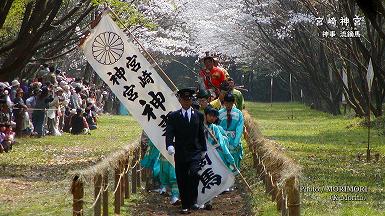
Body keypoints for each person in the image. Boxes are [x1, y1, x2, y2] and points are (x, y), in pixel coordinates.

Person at [165, 88, 207, 214]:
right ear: (180, 100)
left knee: (194, 174)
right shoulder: (173, 116)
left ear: (191, 100)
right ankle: (185, 204)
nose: (186, 102)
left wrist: (204, 149)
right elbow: (169, 132)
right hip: (181, 151)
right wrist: (169, 145)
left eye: (188, 100)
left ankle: (193, 200)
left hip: (195, 151)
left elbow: (201, 133)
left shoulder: (198, 115)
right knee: (182, 178)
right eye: (184, 100)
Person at [203, 106, 236, 210]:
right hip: (201, 156)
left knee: (210, 178)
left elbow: (222, 144)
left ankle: (209, 201)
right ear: (205, 115)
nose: (212, 118)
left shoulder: (215, 129)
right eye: (210, 116)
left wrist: (230, 159)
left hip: (212, 157)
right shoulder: (199, 127)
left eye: (214, 116)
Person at [218, 93, 244, 170]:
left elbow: (239, 128)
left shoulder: (238, 113)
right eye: (226, 102)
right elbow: (217, 126)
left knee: (234, 158)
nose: (228, 105)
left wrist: (236, 142)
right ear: (224, 102)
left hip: (234, 138)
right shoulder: (220, 113)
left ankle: (234, 175)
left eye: (230, 103)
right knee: (224, 159)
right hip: (223, 139)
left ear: (233, 102)